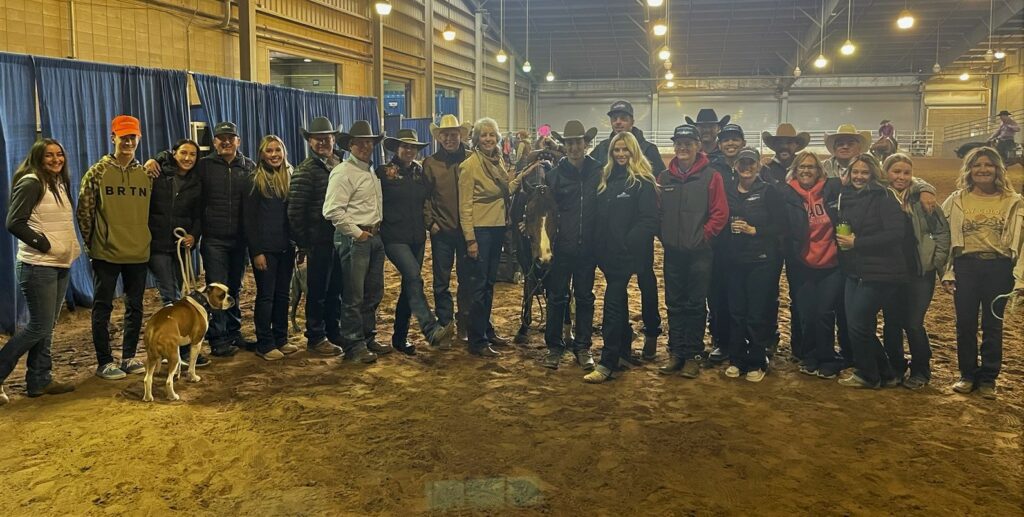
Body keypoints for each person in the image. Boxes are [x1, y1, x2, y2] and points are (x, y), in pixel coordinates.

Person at [148, 121, 257, 357]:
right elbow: (176, 159)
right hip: (214, 240)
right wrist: (155, 159)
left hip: (239, 240)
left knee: (234, 288)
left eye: (231, 138)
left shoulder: (249, 167)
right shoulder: (204, 166)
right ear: (215, 142)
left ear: (238, 141)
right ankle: (217, 338)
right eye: (221, 138)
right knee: (215, 292)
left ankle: (233, 331)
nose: (226, 142)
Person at [941, 147, 1024, 399]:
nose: (983, 169)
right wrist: (947, 271)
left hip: (999, 268)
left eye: (988, 165)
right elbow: (944, 236)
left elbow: (1022, 242)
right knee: (964, 323)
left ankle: (988, 377)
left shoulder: (1014, 201)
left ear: (998, 169)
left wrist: (1020, 277)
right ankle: (967, 374)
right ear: (969, 170)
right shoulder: (956, 199)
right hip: (966, 267)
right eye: (977, 165)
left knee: (993, 325)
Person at [1, 139, 80, 404]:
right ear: (38, 157)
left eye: (60, 154)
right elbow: (14, 222)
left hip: (58, 264)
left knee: (47, 326)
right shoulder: (32, 182)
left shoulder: (57, 182)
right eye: (49, 155)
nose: (56, 159)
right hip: (38, 265)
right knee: (38, 325)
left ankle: (39, 380)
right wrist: (44, 244)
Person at [77, 115, 153, 380]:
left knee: (135, 306)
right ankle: (104, 361)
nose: (129, 142)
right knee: (103, 306)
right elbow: (84, 212)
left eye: (133, 137)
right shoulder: (97, 172)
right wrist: (94, 244)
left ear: (138, 139)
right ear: (113, 139)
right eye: (124, 137)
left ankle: (129, 356)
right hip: (106, 253)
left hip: (138, 253)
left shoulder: (146, 174)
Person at [590, 100, 665, 357]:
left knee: (647, 284)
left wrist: (636, 235)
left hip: (639, 239)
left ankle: (652, 332)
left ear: (631, 120)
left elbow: (657, 189)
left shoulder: (649, 150)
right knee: (616, 289)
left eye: (623, 117)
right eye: (615, 117)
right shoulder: (602, 149)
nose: (618, 121)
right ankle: (621, 340)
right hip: (614, 236)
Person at [583, 131, 659, 383]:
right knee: (618, 304)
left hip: (626, 255)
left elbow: (648, 220)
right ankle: (624, 351)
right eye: (617, 150)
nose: (621, 154)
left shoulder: (642, 181)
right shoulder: (605, 179)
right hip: (606, 254)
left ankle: (608, 362)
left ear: (633, 151)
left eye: (625, 150)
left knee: (613, 307)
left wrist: (627, 243)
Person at [656, 124, 729, 379]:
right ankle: (676, 352)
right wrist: (665, 236)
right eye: (679, 143)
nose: (683, 148)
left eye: (688, 143)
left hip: (699, 253)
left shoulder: (711, 176)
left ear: (698, 146)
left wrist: (704, 237)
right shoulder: (665, 178)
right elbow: (658, 211)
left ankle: (694, 355)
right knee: (674, 304)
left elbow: (720, 213)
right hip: (673, 252)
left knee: (696, 304)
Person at [834, 154, 909, 389]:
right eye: (855, 172)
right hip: (855, 270)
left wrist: (858, 243)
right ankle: (885, 372)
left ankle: (868, 374)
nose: (859, 176)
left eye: (864, 172)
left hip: (880, 271)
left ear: (873, 174)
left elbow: (896, 233)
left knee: (858, 324)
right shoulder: (846, 197)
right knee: (856, 324)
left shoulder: (884, 197)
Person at [379, 129, 453, 354]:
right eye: (405, 146)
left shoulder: (420, 173)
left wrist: (431, 222)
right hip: (393, 237)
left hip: (417, 238)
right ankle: (430, 328)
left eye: (412, 147)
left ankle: (399, 338)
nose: (409, 150)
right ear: (396, 148)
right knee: (413, 277)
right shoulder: (382, 173)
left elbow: (428, 201)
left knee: (408, 286)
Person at [881, 153, 950, 389]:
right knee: (891, 322)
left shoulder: (923, 201)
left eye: (906, 172)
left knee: (913, 322)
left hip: (919, 273)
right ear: (886, 173)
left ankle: (921, 369)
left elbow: (942, 233)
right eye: (896, 171)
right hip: (890, 273)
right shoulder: (879, 196)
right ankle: (896, 367)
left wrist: (934, 260)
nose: (901, 177)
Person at [323, 120, 389, 364]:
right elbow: (332, 211)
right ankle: (353, 344)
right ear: (350, 145)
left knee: (373, 292)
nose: (364, 146)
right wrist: (357, 233)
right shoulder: (342, 172)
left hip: (372, 235)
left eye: (368, 142)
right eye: (359, 142)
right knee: (354, 295)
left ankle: (367, 336)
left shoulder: (369, 170)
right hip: (356, 237)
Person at [778, 150, 846, 378]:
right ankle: (809, 356)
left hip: (831, 263)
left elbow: (872, 178)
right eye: (802, 167)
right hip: (801, 263)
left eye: (811, 167)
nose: (806, 171)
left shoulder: (833, 189)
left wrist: (923, 188)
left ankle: (826, 357)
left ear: (819, 171)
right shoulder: (786, 193)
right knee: (806, 312)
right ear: (795, 170)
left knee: (824, 313)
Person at [541, 120, 601, 370]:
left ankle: (583, 346)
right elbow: (546, 213)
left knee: (585, 297)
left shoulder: (599, 171)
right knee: (557, 297)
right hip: (562, 247)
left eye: (578, 142)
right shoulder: (554, 176)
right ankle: (554, 346)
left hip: (588, 246)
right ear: (564, 146)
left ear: (586, 144)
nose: (574, 147)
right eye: (569, 143)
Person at [145, 138, 208, 367]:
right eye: (183, 153)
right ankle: (174, 349)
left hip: (181, 246)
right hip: (157, 244)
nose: (188, 158)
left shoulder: (197, 182)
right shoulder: (158, 173)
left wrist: (194, 235)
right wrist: (155, 159)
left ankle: (181, 344)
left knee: (182, 297)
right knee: (169, 295)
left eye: (192, 155)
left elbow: (199, 214)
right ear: (174, 153)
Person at [287, 117, 346, 356]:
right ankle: (316, 336)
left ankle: (333, 330)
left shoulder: (340, 164)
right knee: (318, 290)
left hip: (340, 237)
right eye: (317, 138)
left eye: (327, 138)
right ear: (310, 142)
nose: (323, 142)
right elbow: (294, 211)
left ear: (333, 139)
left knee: (336, 288)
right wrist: (305, 242)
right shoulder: (306, 170)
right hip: (319, 240)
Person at [723, 147, 779, 382]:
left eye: (751, 163)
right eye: (742, 163)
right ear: (735, 165)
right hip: (735, 260)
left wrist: (756, 230)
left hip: (761, 260)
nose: (746, 167)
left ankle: (757, 360)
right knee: (736, 311)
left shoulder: (769, 192)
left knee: (757, 312)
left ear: (758, 165)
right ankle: (736, 358)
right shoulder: (727, 191)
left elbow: (782, 226)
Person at [459, 117, 513, 357]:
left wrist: (526, 173)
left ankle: (486, 329)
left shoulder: (497, 162)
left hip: (497, 227)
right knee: (479, 286)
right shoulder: (470, 165)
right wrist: (470, 239)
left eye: (492, 134)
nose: (489, 139)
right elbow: (465, 206)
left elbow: (507, 189)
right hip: (480, 230)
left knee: (490, 283)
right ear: (477, 139)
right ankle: (477, 340)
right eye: (484, 135)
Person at [243, 135, 299, 361]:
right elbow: (249, 220)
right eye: (269, 151)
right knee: (266, 295)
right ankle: (264, 343)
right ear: (262, 154)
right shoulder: (254, 180)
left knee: (283, 295)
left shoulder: (290, 176)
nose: (274, 154)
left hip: (286, 247)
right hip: (264, 250)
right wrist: (256, 251)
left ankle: (281, 338)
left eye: (278, 150)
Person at [759, 123, 812, 356]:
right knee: (768, 292)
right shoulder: (765, 170)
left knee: (800, 294)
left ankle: (800, 344)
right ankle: (768, 339)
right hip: (771, 239)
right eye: (780, 142)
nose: (784, 146)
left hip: (798, 241)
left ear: (796, 145)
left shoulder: (807, 170)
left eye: (789, 142)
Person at [424, 115, 473, 342]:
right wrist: (430, 222)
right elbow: (424, 197)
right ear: (439, 137)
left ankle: (464, 321)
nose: (450, 138)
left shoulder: (472, 160)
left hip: (466, 232)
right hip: (442, 232)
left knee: (467, 279)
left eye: (454, 134)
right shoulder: (430, 163)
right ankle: (445, 323)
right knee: (441, 281)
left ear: (460, 136)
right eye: (445, 134)